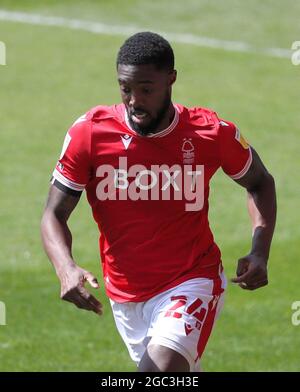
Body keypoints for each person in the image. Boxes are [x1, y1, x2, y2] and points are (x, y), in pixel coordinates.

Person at [41, 32, 276, 372]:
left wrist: (260, 249)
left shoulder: (210, 133)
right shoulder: (89, 134)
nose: (134, 100)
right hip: (125, 293)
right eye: (125, 88)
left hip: (192, 279)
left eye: (146, 89)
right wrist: (66, 269)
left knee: (159, 371)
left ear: (171, 80)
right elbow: (53, 214)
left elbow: (259, 183)